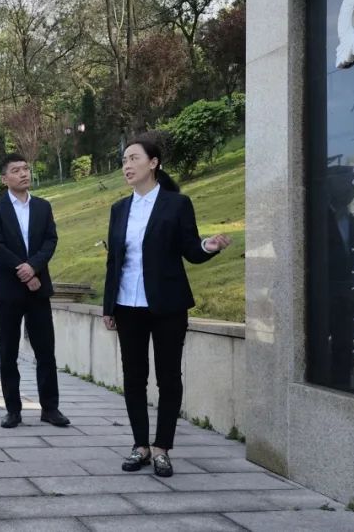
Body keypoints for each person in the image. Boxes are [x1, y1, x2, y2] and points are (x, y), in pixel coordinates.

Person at [102, 136, 230, 478]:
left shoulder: (177, 204)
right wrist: (108, 306)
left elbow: (191, 248)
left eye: (133, 158)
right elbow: (113, 261)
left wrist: (210, 245)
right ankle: (140, 445)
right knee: (134, 377)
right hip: (127, 304)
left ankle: (162, 448)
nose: (127, 166)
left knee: (169, 377)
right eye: (124, 160)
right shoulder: (119, 209)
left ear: (154, 163)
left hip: (168, 305)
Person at [0, 153, 69, 429]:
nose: (23, 174)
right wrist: (22, 270)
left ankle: (50, 408)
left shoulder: (43, 207)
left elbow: (50, 240)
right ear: (4, 178)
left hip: (38, 289)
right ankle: (13, 409)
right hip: (9, 291)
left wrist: (33, 267)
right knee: (8, 352)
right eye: (16, 170)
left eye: (25, 169)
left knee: (46, 350)